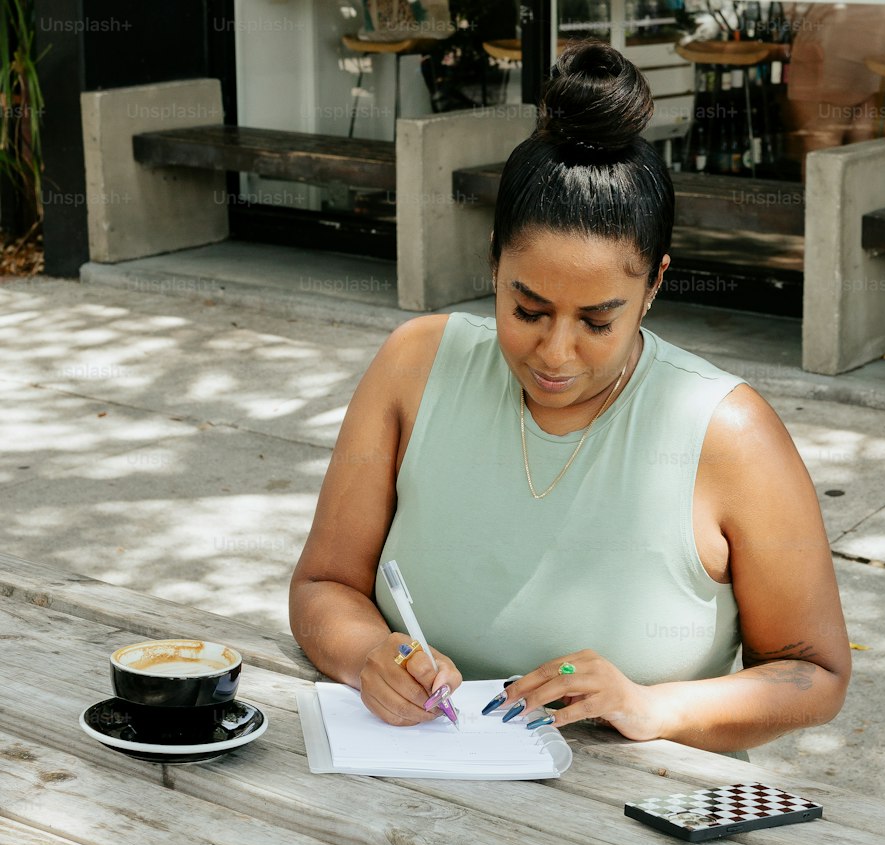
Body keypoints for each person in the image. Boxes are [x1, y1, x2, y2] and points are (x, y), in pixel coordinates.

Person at [290, 39, 850, 756]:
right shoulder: (415, 367)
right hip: (423, 779)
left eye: (597, 321)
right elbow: (324, 584)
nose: (555, 354)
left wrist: (650, 706)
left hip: (630, 827)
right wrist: (369, 655)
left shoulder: (728, 433)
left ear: (653, 286)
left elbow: (816, 675)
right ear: (493, 261)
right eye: (527, 310)